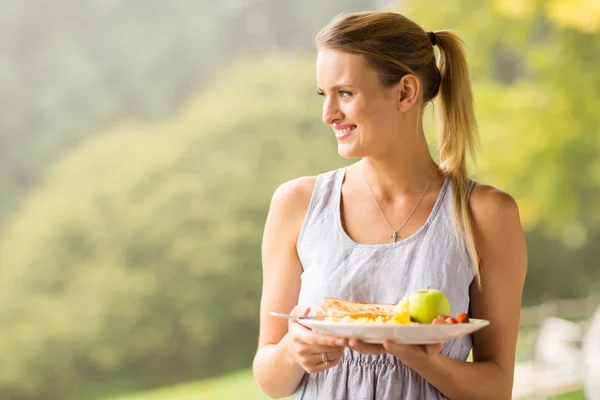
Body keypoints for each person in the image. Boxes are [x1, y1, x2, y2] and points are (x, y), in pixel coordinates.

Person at [252, 10, 527, 400]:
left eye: (345, 93)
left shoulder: (486, 214)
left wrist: (419, 358)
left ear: (405, 92)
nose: (328, 114)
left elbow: (496, 388)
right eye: (323, 95)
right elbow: (269, 379)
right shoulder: (296, 204)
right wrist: (293, 350)